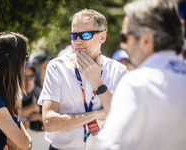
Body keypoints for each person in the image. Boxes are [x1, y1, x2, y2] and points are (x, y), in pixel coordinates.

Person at [98, 0, 186, 149]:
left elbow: (109, 146)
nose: (123, 45)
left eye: (125, 37)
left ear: (146, 40)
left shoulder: (136, 84)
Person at [38, 9, 128, 150]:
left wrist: (97, 81)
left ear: (102, 37)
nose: (78, 41)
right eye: (74, 35)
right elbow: (49, 122)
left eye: (85, 35)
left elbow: (121, 116)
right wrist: (97, 114)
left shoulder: (118, 71)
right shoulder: (56, 67)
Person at [0, 31, 32, 150]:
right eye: (25, 57)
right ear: (13, 62)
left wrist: (25, 141)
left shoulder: (1, 95)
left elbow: (26, 144)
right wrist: (25, 141)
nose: (25, 63)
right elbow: (24, 143)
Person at [21, 62, 49, 150]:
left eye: (31, 77)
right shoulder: (12, 95)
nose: (28, 81)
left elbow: (53, 118)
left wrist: (39, 117)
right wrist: (31, 108)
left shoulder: (39, 93)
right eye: (24, 77)